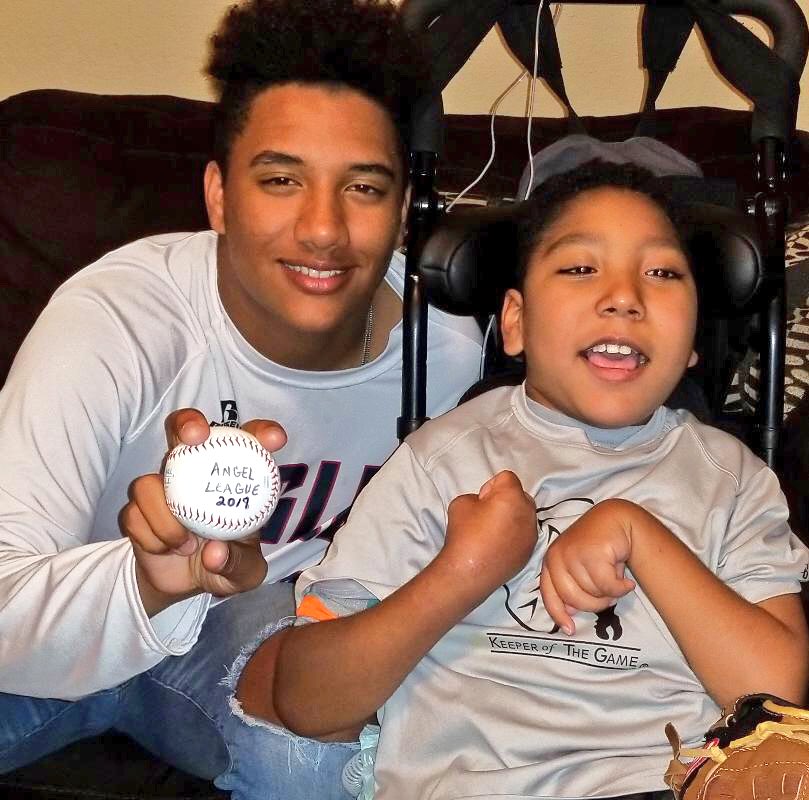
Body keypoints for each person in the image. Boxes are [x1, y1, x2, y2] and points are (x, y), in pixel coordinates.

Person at [0, 1, 483, 798]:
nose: (322, 229)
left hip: (252, 631)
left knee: (334, 768)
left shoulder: (448, 355)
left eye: (362, 187)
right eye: (281, 180)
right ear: (220, 195)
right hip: (71, 609)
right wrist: (153, 580)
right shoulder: (121, 318)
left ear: (402, 212)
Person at [240, 161, 809, 799]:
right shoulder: (441, 461)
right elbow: (308, 703)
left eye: (663, 273)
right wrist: (463, 571)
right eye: (579, 268)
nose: (624, 296)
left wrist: (640, 534)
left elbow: (775, 695)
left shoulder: (730, 478)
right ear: (515, 321)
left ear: (695, 336)